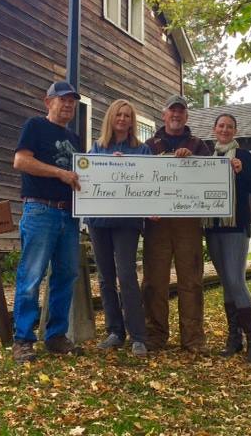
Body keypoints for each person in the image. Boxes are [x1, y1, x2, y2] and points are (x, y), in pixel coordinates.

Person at [12, 81, 83, 364]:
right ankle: (23, 339)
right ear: (48, 102)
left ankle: (56, 336)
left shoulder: (75, 138)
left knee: (66, 275)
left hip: (69, 214)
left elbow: (83, 174)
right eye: (63, 99)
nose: (68, 104)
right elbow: (21, 161)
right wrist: (59, 173)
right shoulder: (35, 126)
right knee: (31, 276)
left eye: (72, 101)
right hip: (40, 210)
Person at [142, 94, 211, 353]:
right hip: (157, 222)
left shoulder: (199, 145)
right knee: (153, 282)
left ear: (186, 116)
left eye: (181, 111)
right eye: (172, 110)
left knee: (191, 280)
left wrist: (193, 161)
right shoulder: (149, 146)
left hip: (188, 222)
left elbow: (211, 177)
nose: (176, 115)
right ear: (164, 114)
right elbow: (138, 180)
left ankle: (193, 338)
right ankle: (155, 335)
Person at [87, 99, 151, 358]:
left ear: (132, 121)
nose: (123, 119)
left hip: (127, 221)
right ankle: (114, 331)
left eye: (127, 115)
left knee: (126, 275)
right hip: (99, 221)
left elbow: (150, 183)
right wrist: (107, 166)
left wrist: (127, 168)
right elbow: (87, 178)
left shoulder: (142, 150)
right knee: (105, 278)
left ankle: (138, 336)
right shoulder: (97, 148)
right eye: (119, 114)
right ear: (111, 118)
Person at [204, 113, 251, 363]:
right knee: (227, 283)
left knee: (236, 281)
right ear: (214, 129)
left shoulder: (244, 156)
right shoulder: (208, 157)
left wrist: (241, 171)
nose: (225, 130)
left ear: (235, 131)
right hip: (213, 227)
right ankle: (234, 338)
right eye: (221, 126)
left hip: (236, 226)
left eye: (229, 127)